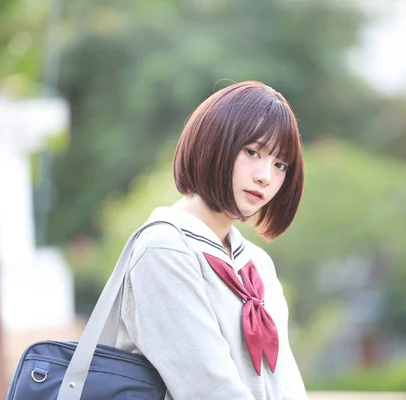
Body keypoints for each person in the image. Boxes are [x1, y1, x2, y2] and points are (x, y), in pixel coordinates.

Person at [115, 80, 307, 399]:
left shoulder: (257, 264)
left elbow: (285, 383)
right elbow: (208, 387)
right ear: (214, 143)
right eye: (252, 151)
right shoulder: (165, 248)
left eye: (280, 164)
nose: (265, 176)